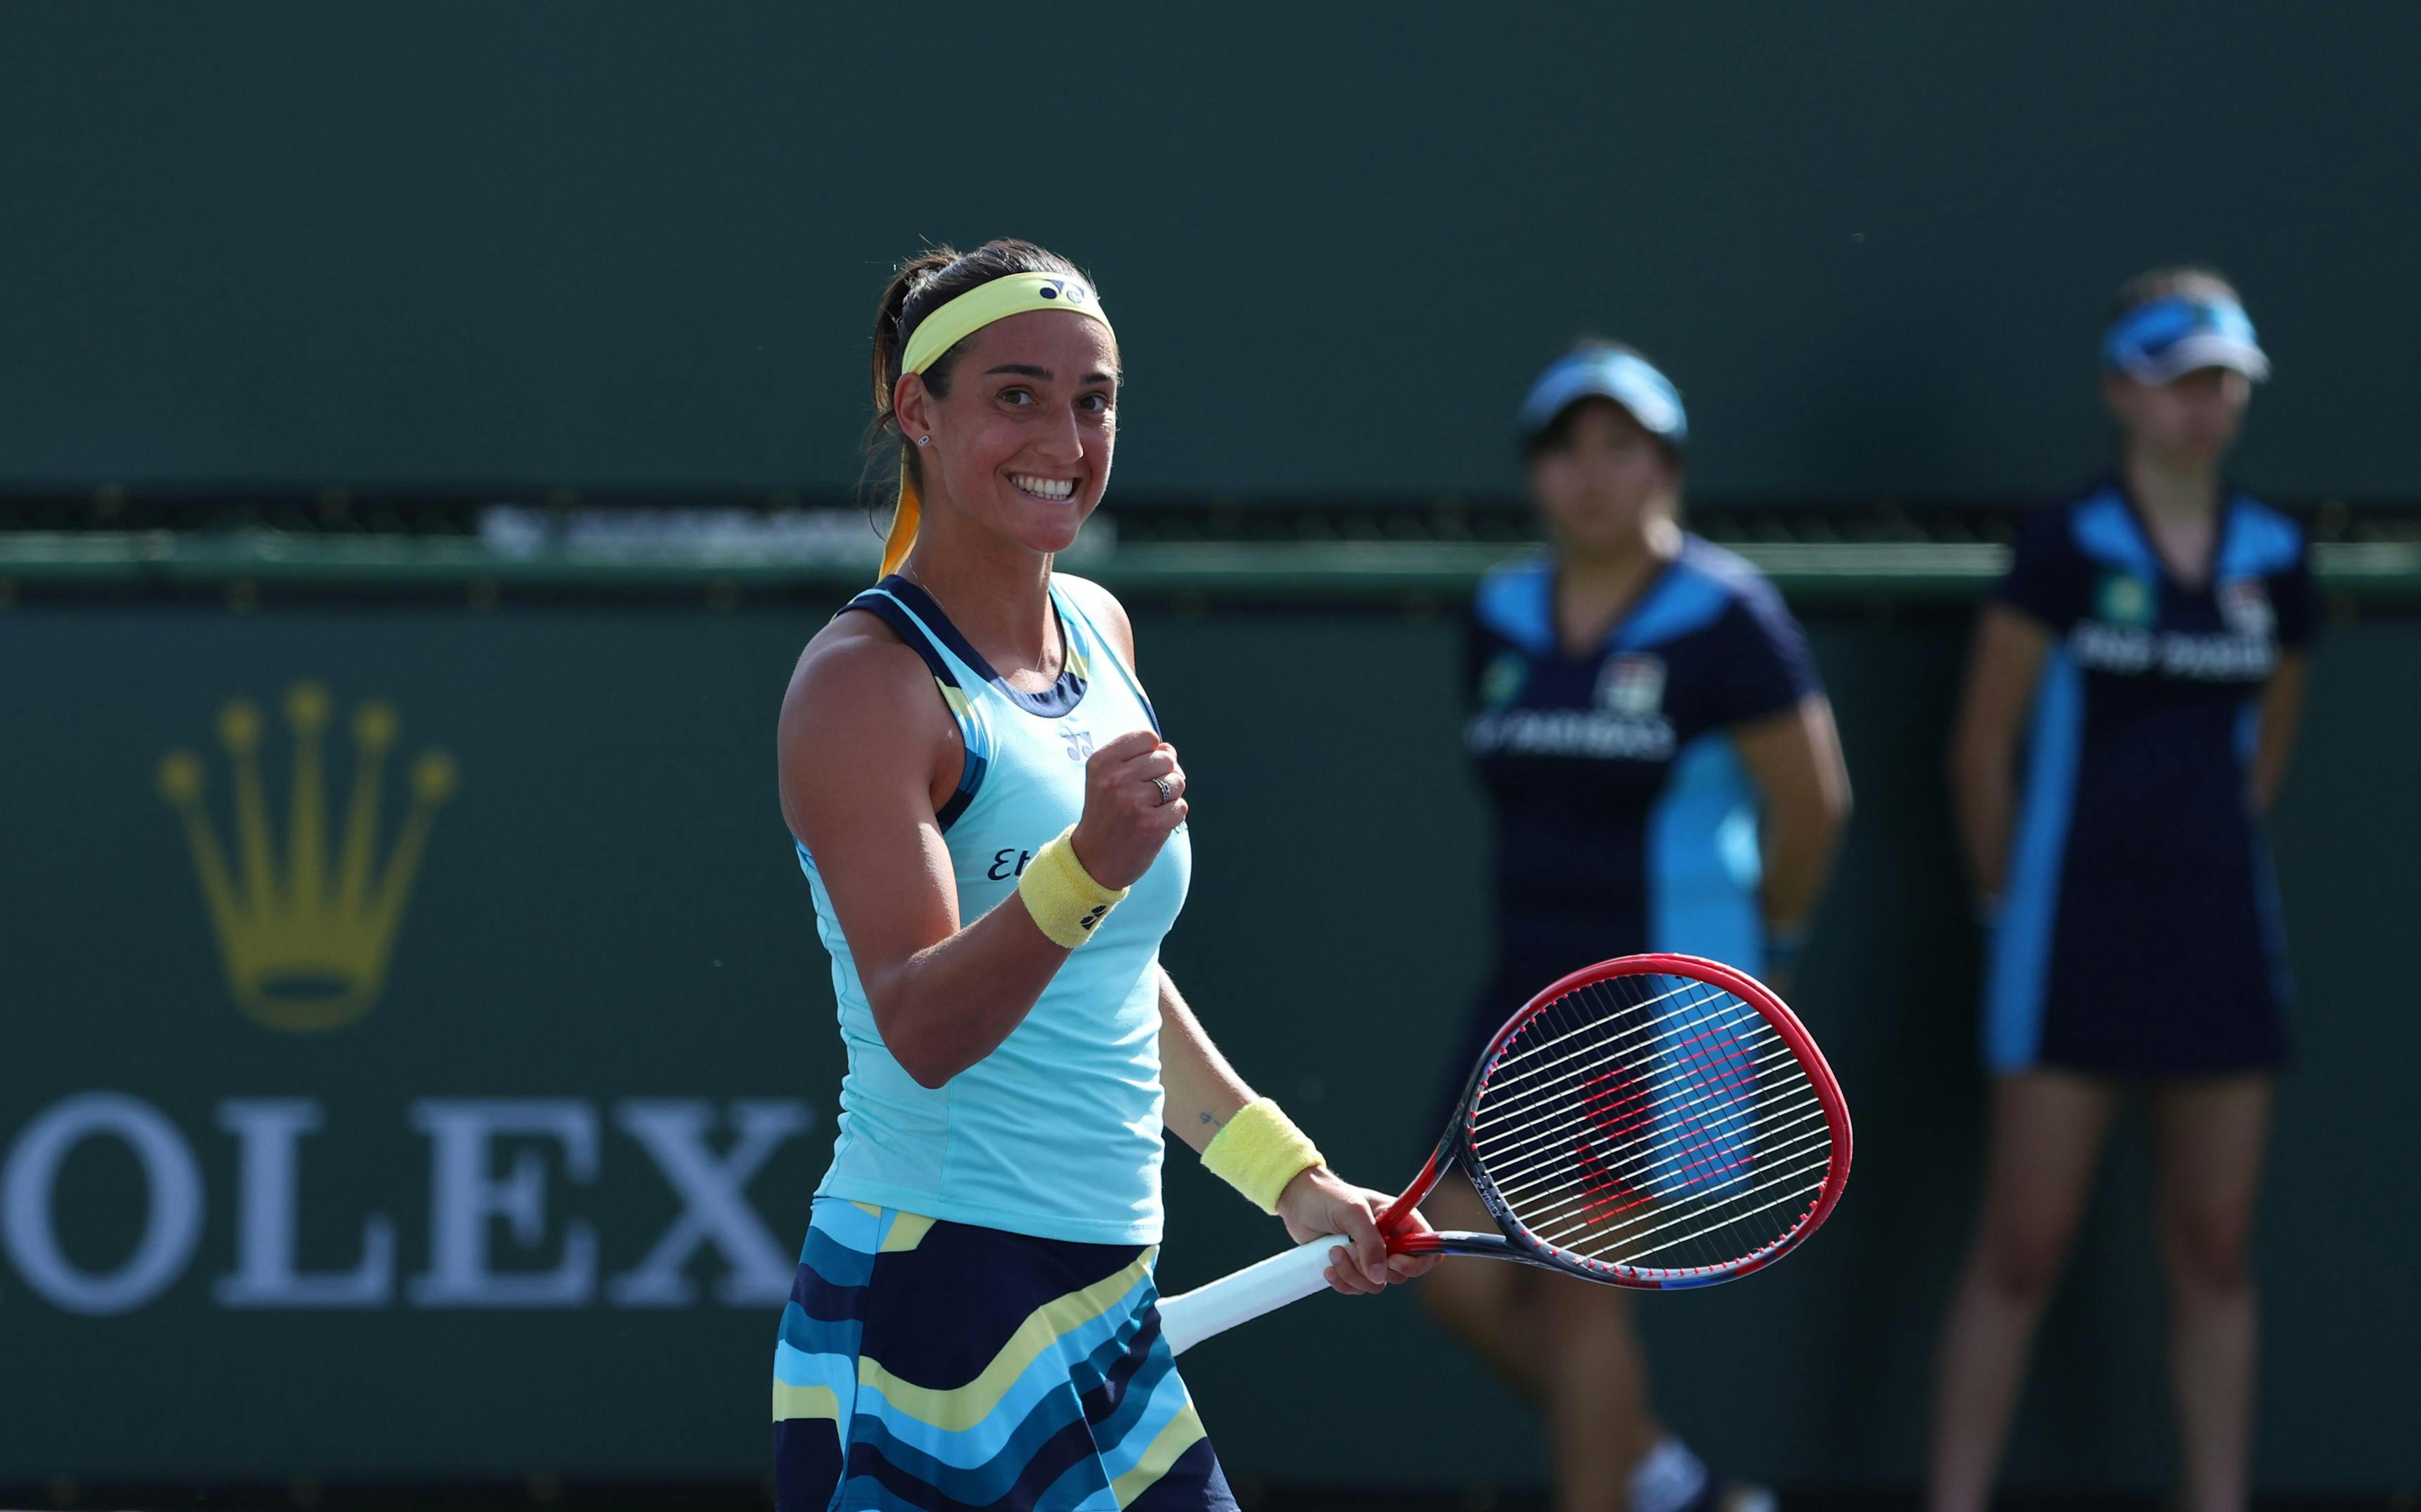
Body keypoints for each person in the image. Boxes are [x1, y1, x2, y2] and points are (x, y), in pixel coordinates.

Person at [769, 239, 1437, 1512]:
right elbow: (922, 1024)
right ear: (918, 412)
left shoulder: (1101, 630)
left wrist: (1291, 1184)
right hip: (930, 1296)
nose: (1065, 437)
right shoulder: (862, 685)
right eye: (1015, 394)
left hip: (1103, 1292)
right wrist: (1083, 865)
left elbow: (1116, 973)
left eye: (1094, 399)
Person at [1423, 342, 1850, 1512]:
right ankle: (1667, 1480)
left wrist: (1767, 958)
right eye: (1569, 449)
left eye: (1623, 447)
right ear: (1537, 474)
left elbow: (1814, 804)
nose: (1595, 473)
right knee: (1449, 1271)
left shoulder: (1729, 617)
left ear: (1667, 468)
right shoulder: (1501, 613)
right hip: (1522, 990)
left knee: (1576, 1292)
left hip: (1667, 1004)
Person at [1927, 269, 2312, 1512]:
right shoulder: (2065, 549)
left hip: (2218, 940)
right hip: (2066, 942)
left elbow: (2268, 751)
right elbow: (1981, 752)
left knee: (2214, 1245)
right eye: (2181, 381)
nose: (2206, 407)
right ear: (2123, 392)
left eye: (2224, 384)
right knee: (2023, 1246)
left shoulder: (2277, 558)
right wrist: (2015, 903)